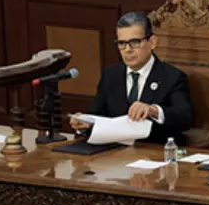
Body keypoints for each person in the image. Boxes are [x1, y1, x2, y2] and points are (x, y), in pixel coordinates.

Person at [69, 11, 193, 144]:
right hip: (113, 155)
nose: (127, 49)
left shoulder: (172, 77)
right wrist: (83, 123)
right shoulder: (111, 74)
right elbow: (97, 116)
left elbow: (184, 117)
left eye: (135, 42)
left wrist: (153, 110)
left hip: (154, 152)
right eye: (122, 43)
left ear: (152, 42)